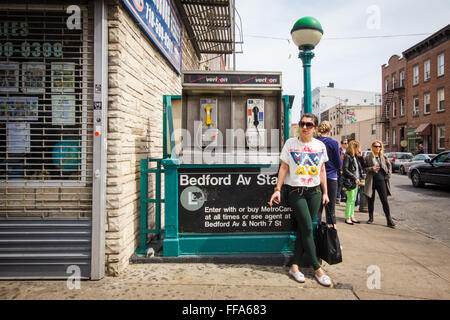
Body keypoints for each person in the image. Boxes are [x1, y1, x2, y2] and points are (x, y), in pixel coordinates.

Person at [269, 113, 332, 287]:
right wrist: (277, 189)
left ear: (315, 128)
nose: (304, 127)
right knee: (307, 228)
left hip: (315, 192)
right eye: (302, 124)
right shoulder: (290, 144)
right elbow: (283, 167)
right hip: (296, 192)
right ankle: (317, 269)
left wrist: (325, 192)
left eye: (309, 125)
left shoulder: (320, 146)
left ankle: (295, 266)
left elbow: (322, 171)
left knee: (303, 230)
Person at [364, 140, 396, 228]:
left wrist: (388, 175)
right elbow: (364, 168)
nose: (378, 148)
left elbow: (389, 167)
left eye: (379, 146)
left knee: (384, 201)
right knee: (371, 200)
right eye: (376, 146)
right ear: (372, 147)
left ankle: (389, 220)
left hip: (381, 181)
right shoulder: (368, 157)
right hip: (371, 181)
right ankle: (371, 218)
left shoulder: (383, 157)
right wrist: (371, 168)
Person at [316, 121, 342, 229]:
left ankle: (316, 234)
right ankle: (332, 238)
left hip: (316, 177)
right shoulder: (333, 143)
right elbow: (339, 163)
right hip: (331, 177)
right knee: (330, 208)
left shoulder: (314, 142)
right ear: (329, 131)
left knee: (317, 208)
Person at [342, 140, 364, 225]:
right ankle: (348, 217)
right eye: (357, 147)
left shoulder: (355, 157)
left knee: (353, 199)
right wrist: (354, 177)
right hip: (351, 181)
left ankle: (352, 216)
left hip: (356, 180)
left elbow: (362, 166)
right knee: (350, 200)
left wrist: (361, 157)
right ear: (353, 147)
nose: (359, 149)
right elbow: (345, 169)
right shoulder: (348, 156)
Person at [336, 139, 348, 204]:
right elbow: (339, 160)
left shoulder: (348, 151)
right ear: (342, 144)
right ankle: (337, 197)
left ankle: (344, 197)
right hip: (341, 170)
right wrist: (340, 169)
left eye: (347, 143)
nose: (346, 144)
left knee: (345, 183)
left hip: (346, 170)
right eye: (345, 143)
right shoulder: (339, 151)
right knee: (340, 183)